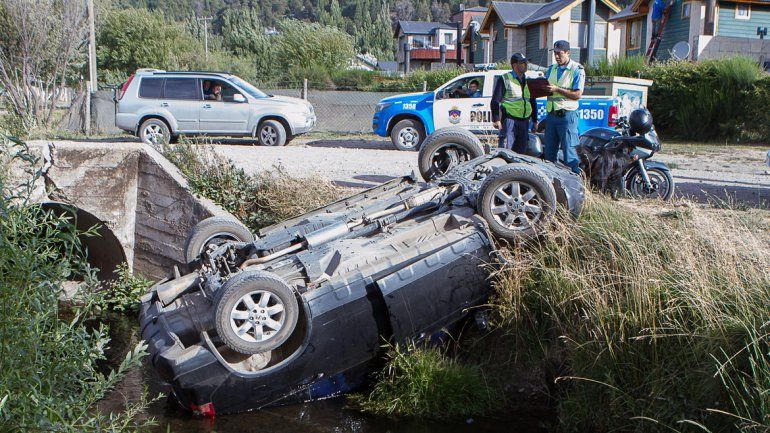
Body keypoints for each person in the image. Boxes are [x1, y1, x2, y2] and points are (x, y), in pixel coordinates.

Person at [544, 40, 585, 174]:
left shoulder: (576, 69)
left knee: (570, 153)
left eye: (559, 53)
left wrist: (557, 89)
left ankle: (576, 186)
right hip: (551, 115)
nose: (556, 56)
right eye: (554, 53)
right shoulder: (551, 69)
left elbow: (577, 94)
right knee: (549, 154)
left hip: (567, 116)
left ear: (567, 53)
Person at [491, 53, 538, 153]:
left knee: (521, 152)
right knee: (507, 150)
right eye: (523, 62)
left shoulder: (528, 81)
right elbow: (495, 100)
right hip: (510, 120)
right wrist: (496, 119)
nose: (526, 64)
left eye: (526, 62)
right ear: (515, 65)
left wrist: (534, 120)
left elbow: (532, 101)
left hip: (525, 121)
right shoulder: (505, 79)